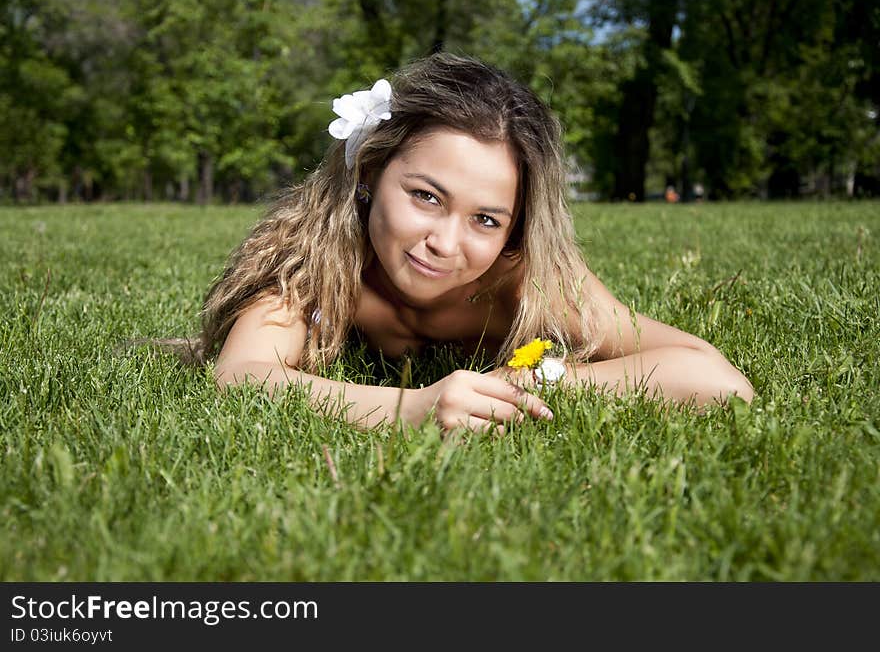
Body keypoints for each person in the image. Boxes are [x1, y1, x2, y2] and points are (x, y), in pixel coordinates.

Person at [186, 53, 753, 435]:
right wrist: (414, 407)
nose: (444, 243)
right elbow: (241, 374)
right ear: (370, 172)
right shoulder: (318, 254)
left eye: (485, 219)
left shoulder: (525, 279)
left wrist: (526, 384)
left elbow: (719, 382)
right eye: (427, 197)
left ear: (515, 228)